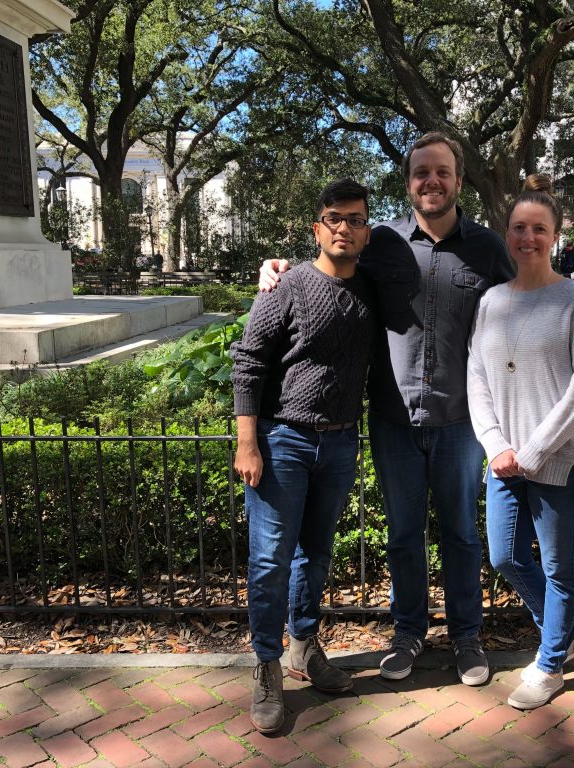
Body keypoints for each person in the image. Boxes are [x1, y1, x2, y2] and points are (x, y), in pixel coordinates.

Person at [259, 132, 574, 687]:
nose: (432, 181)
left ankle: (467, 637)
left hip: (463, 421)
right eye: (422, 172)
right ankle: (408, 633)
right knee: (402, 534)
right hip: (393, 417)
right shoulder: (381, 242)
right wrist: (278, 269)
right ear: (409, 181)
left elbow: (531, 288)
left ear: (458, 180)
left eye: (442, 171)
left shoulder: (490, 247)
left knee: (463, 535)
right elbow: (332, 263)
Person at [232, 179, 375, 733]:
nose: (345, 227)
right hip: (283, 441)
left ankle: (303, 646)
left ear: (367, 229)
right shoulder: (285, 286)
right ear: (317, 227)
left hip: (340, 441)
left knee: (314, 553)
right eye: (334, 218)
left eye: (356, 219)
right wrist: (248, 443)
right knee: (270, 560)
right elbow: (248, 363)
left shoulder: (372, 287)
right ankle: (267, 666)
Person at [467, 174, 574, 710]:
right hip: (502, 460)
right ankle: (561, 635)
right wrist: (496, 445)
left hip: (560, 462)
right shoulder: (491, 301)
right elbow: (476, 375)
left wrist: (531, 453)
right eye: (520, 228)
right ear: (508, 235)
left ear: (555, 237)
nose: (529, 238)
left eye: (539, 229)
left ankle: (549, 666)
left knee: (557, 567)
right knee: (504, 556)